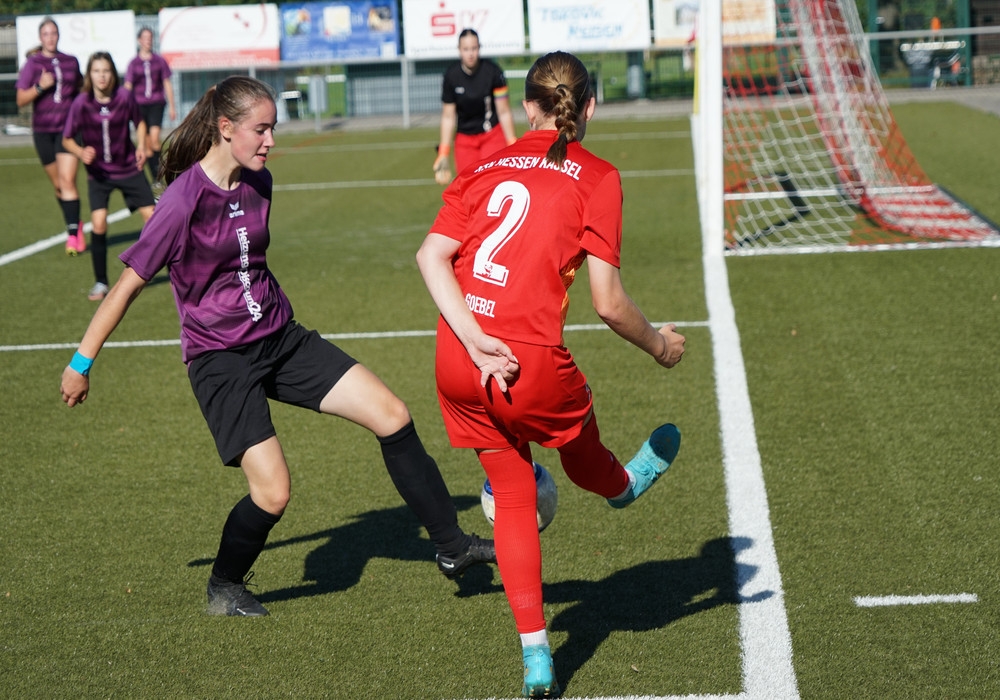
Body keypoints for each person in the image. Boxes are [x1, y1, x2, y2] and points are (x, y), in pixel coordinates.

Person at [60, 76, 495, 618]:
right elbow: (125, 288)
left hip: (281, 339)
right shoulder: (181, 202)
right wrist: (81, 363)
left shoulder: (259, 181)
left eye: (273, 129)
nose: (270, 142)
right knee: (273, 493)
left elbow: (250, 262)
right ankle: (224, 585)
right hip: (221, 359)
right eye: (260, 130)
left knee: (392, 415)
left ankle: (452, 547)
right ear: (225, 128)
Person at [416, 51, 687, 698]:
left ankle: (537, 656)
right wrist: (659, 346)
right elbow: (609, 304)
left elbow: (430, 256)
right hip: (526, 363)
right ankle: (623, 486)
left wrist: (473, 339)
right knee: (583, 457)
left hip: (458, 358)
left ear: (527, 106)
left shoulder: (485, 165)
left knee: (513, 496)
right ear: (589, 106)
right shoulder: (598, 176)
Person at [62, 52, 156, 301]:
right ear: (89, 75)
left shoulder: (124, 97)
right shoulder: (81, 103)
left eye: (106, 71)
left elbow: (140, 123)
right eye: (96, 71)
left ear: (112, 74)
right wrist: (81, 152)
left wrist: (141, 145)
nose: (101, 76)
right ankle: (101, 282)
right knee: (99, 223)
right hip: (99, 175)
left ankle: (175, 273)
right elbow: (67, 139)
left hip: (128, 169)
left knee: (154, 219)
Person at [15, 16, 85, 256]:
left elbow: (80, 91)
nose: (50, 37)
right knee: (59, 186)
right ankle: (74, 223)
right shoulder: (33, 64)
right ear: (40, 37)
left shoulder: (71, 61)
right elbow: (20, 100)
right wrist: (40, 87)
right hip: (43, 131)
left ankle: (72, 235)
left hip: (68, 131)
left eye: (53, 33)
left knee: (67, 181)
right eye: (46, 34)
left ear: (58, 35)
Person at [432, 28, 517, 185]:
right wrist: (443, 152)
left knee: (494, 183)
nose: (470, 53)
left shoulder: (493, 72)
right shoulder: (451, 76)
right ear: (459, 50)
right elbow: (448, 116)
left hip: (491, 135)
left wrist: (512, 142)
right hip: (464, 139)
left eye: (474, 48)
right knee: (467, 186)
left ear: (479, 48)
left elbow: (504, 111)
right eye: (466, 49)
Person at [124, 27, 176, 185]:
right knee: (146, 145)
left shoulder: (159, 61)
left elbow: (167, 83)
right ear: (139, 40)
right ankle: (155, 177)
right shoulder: (133, 63)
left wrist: (172, 106)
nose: (148, 41)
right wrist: (123, 106)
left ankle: (161, 172)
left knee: (154, 139)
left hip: (156, 103)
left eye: (150, 37)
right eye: (145, 38)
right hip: (139, 105)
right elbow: (128, 86)